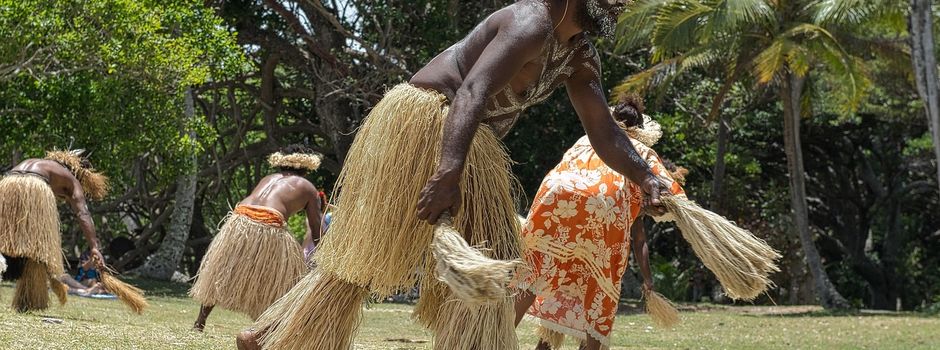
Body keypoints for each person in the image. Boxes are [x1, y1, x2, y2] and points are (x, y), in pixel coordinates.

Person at [237, 1, 670, 349]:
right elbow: (473, 91)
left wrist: (645, 176)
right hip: (428, 120)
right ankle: (275, 336)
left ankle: (268, 337)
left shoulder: (579, 55)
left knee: (493, 253)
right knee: (374, 250)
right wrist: (449, 175)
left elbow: (604, 129)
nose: (621, 5)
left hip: (470, 139)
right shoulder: (532, 21)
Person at [512, 93, 686, 350]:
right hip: (604, 212)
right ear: (639, 129)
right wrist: (662, 206)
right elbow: (669, 195)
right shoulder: (640, 151)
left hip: (556, 200)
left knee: (533, 274)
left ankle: (497, 334)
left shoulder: (587, 138)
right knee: (599, 292)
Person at [189, 144, 323, 331]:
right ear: (307, 168)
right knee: (284, 277)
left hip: (238, 220)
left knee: (221, 270)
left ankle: (199, 322)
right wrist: (325, 256)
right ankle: (269, 326)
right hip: (267, 225)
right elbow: (317, 232)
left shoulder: (268, 178)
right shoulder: (308, 188)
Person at [0, 150, 108, 312]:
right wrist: (94, 246)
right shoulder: (72, 179)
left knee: (5, 240)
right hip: (35, 186)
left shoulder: (43, 164)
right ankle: (29, 301)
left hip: (7, 183)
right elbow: (82, 213)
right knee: (39, 249)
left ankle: (28, 298)